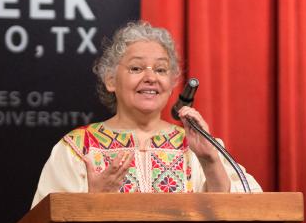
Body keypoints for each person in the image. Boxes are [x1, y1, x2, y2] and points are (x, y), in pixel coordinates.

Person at [31, 20, 261, 208]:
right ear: (110, 80)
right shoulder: (78, 147)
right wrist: (94, 199)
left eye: (161, 70)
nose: (151, 78)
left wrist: (210, 162)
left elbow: (253, 209)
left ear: (172, 83)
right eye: (136, 68)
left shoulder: (198, 145)